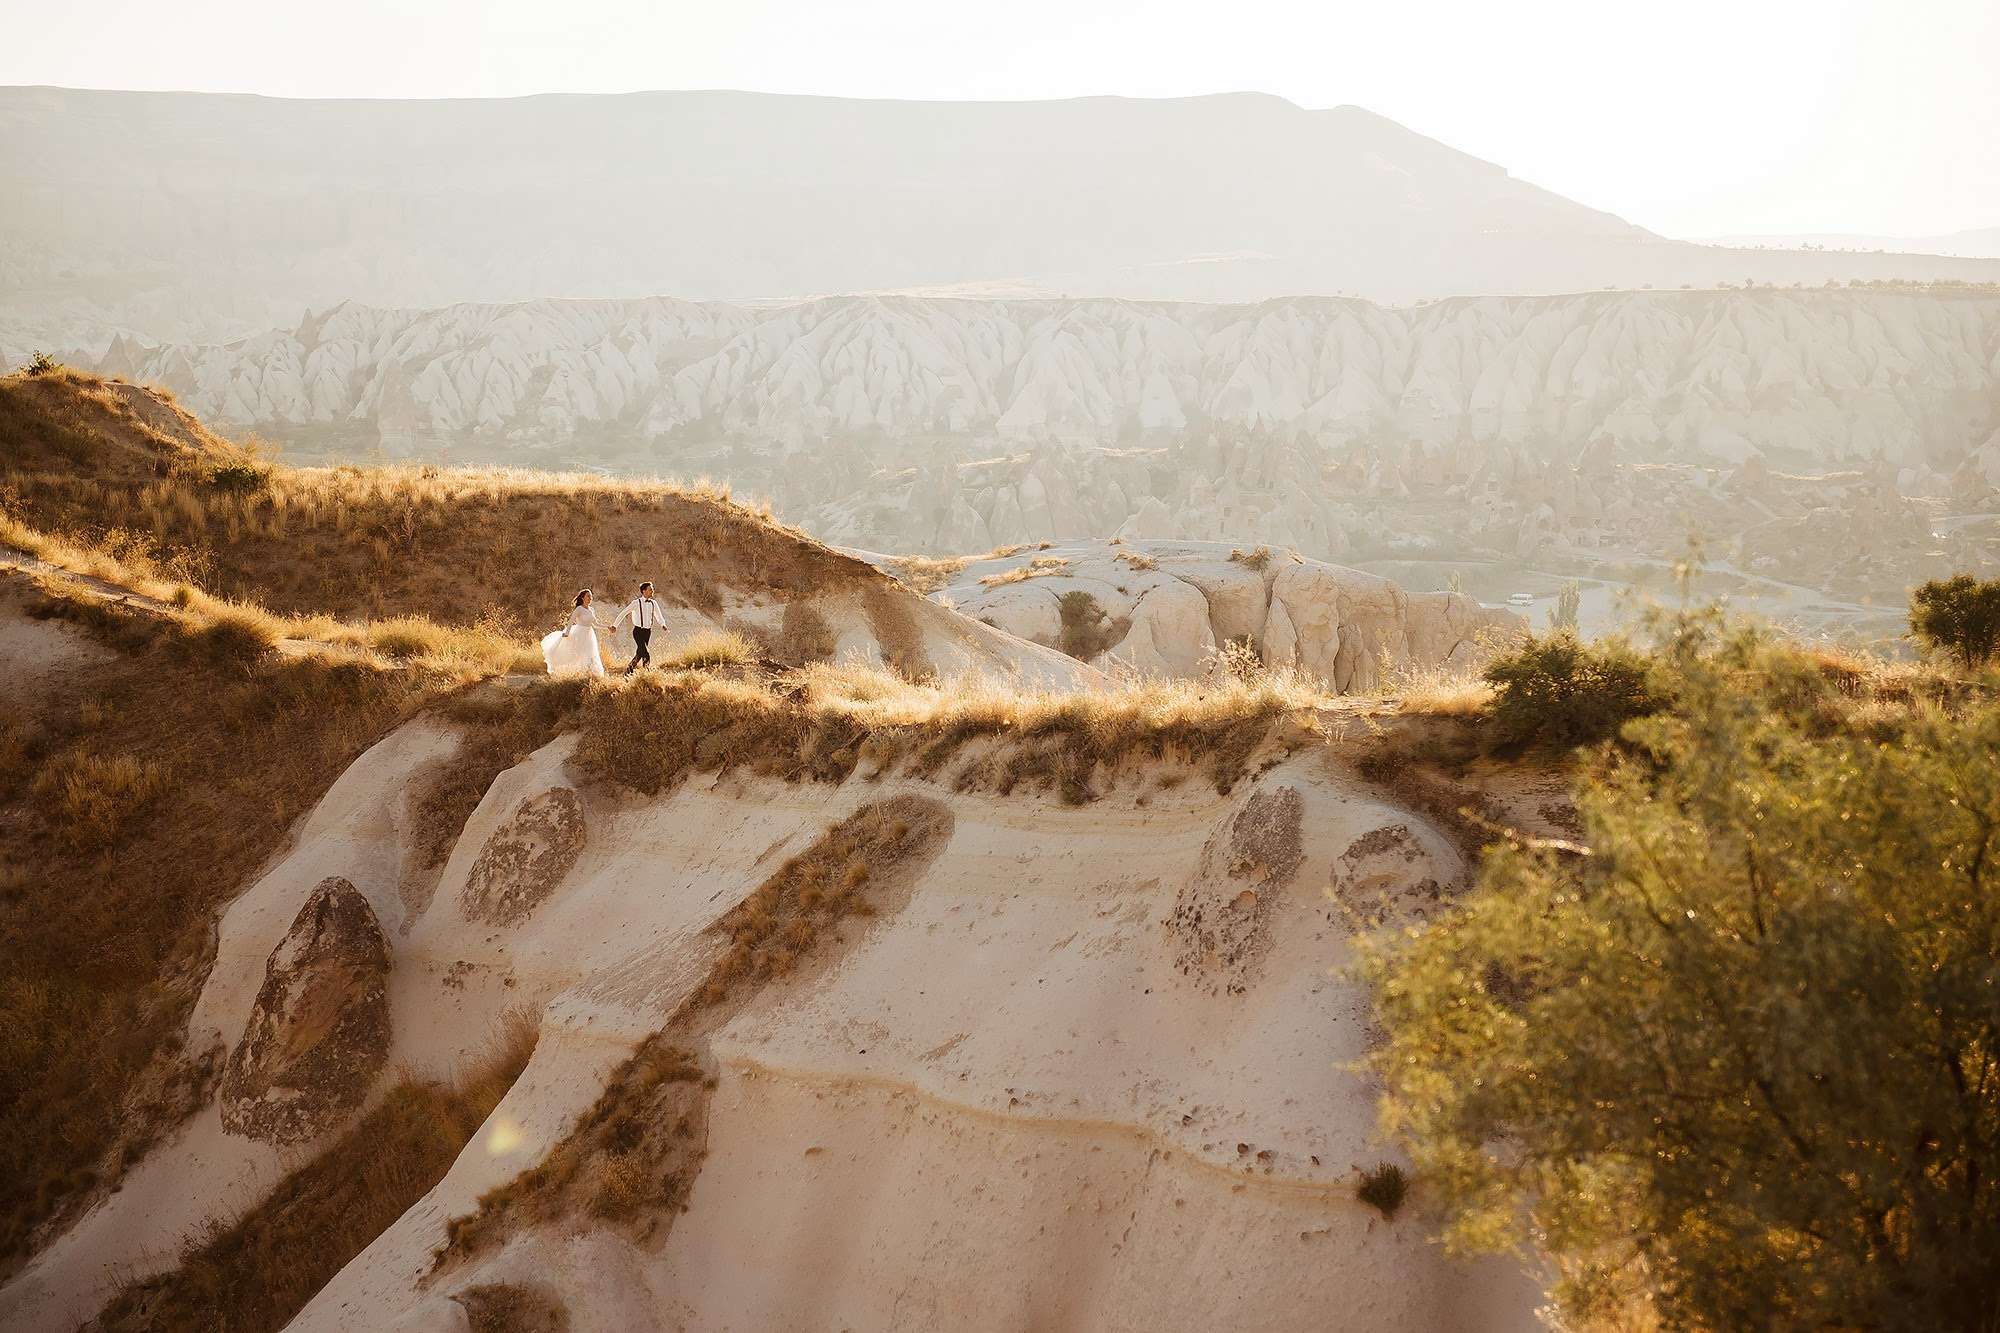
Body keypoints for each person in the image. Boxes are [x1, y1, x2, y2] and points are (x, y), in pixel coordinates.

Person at [540, 589, 607, 677]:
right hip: (580, 634)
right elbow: (571, 621)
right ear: (583, 598)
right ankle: (575, 672)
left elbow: (595, 624)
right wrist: (567, 632)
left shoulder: (591, 610)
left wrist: (607, 627)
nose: (590, 598)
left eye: (591, 596)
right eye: (588, 596)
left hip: (590, 635)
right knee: (578, 653)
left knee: (590, 653)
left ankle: (589, 674)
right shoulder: (579, 609)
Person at [613, 581, 663, 675]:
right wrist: (615, 625)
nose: (652, 591)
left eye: (652, 589)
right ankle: (646, 673)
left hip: (648, 631)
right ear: (644, 591)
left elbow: (658, 615)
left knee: (640, 653)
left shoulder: (653, 603)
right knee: (646, 653)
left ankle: (628, 671)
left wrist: (662, 624)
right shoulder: (636, 602)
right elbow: (624, 613)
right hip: (638, 631)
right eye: (650, 589)